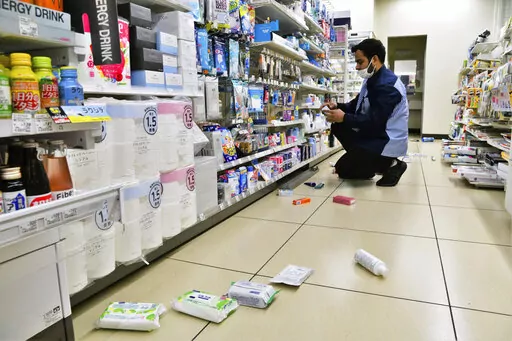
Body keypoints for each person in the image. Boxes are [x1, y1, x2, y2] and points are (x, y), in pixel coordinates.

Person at [323, 38, 409, 187]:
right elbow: (356, 105)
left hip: (386, 138)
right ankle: (367, 163)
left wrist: (344, 117)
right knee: (338, 128)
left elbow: (374, 123)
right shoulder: (371, 79)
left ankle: (392, 164)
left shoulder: (388, 86)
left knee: (344, 169)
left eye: (360, 62)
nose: (357, 67)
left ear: (374, 59)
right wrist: (337, 106)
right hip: (375, 133)